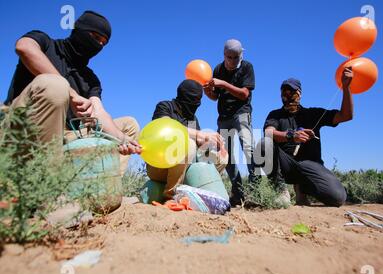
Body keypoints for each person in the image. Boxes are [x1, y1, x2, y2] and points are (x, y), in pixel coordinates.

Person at [1, 10, 141, 175]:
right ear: (80, 30)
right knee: (55, 84)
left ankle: (105, 187)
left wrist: (122, 140)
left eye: (103, 43)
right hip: (21, 125)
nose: (98, 46)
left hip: (65, 135)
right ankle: (48, 181)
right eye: (95, 37)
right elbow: (23, 47)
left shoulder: (90, 78)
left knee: (128, 126)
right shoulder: (46, 43)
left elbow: (99, 113)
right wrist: (71, 94)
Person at [257, 67, 354, 207]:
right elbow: (268, 133)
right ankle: (280, 190)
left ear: (299, 94)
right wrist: (292, 136)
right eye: (284, 91)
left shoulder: (313, 113)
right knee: (263, 144)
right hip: (287, 166)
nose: (288, 95)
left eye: (292, 91)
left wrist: (346, 87)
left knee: (338, 198)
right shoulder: (275, 115)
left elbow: (346, 115)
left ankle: (302, 189)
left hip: (311, 166)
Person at [147, 79, 228, 200]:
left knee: (222, 157)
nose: (195, 106)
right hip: (159, 166)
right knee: (187, 144)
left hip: (185, 169)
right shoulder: (165, 106)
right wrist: (200, 134)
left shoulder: (192, 119)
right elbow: (166, 127)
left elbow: (199, 145)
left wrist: (211, 143)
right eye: (193, 102)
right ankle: (171, 196)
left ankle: (200, 192)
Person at [203, 39, 257, 207]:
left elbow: (244, 94)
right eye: (229, 57)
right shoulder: (218, 69)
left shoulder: (247, 67)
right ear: (224, 55)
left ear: (241, 55)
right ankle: (238, 191)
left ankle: (255, 192)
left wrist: (223, 83)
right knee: (225, 156)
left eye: (236, 57)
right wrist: (207, 92)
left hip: (241, 114)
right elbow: (215, 97)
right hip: (224, 117)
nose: (233, 60)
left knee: (248, 148)